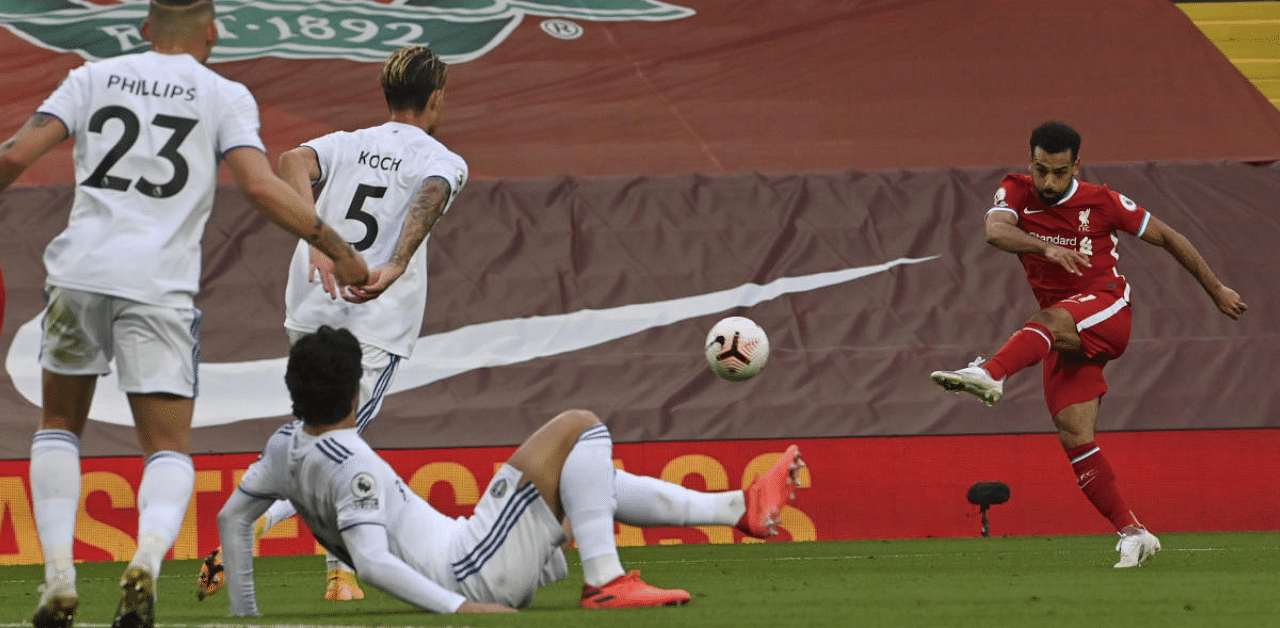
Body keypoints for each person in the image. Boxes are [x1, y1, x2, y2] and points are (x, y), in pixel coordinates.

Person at [0, 2, 370, 628]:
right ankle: (144, 560)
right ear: (212, 33)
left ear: (144, 30)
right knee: (167, 448)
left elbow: (13, 154)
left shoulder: (91, 77)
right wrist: (340, 249)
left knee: (58, 426)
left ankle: (58, 576)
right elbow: (259, 185)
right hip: (158, 286)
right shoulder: (224, 94)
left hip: (78, 275)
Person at [217, 326, 806, 614]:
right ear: (354, 392)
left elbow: (232, 517)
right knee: (582, 425)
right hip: (471, 569)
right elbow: (371, 563)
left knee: (582, 468)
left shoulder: (284, 446)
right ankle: (606, 581)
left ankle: (733, 508)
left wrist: (245, 614)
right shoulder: (355, 466)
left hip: (469, 550)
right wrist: (461, 609)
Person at [197, 44, 468, 602]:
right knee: (337, 442)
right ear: (436, 98)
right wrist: (394, 264)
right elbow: (432, 194)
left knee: (319, 432)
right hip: (373, 315)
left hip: (310, 303)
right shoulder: (443, 158)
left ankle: (339, 573)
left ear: (387, 95)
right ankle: (253, 534)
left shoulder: (349, 143)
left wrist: (314, 233)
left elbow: (292, 159)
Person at [930, 121, 1247, 568]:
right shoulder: (1016, 191)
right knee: (1075, 435)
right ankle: (1134, 532)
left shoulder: (1103, 201)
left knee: (1049, 319)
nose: (1049, 182)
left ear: (1077, 164)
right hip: (1061, 335)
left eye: (1059, 172)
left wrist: (1216, 291)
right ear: (1030, 161)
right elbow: (995, 232)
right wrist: (1045, 247)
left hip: (1107, 310)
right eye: (1041, 170)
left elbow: (1171, 238)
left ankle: (990, 375)